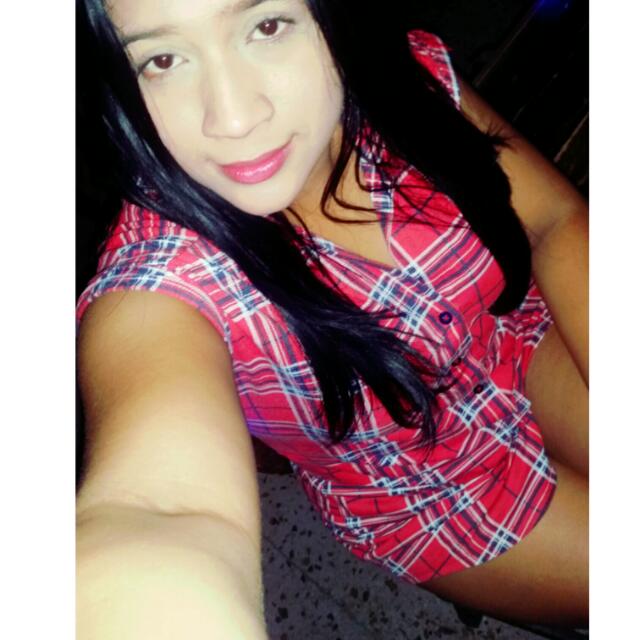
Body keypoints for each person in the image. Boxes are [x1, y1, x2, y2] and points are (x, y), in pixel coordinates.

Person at [75, 0, 589, 637]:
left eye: (267, 26)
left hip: (515, 341)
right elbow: (160, 511)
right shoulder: (166, 281)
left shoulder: (402, 83)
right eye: (162, 59)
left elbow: (552, 222)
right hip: (425, 492)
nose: (233, 118)